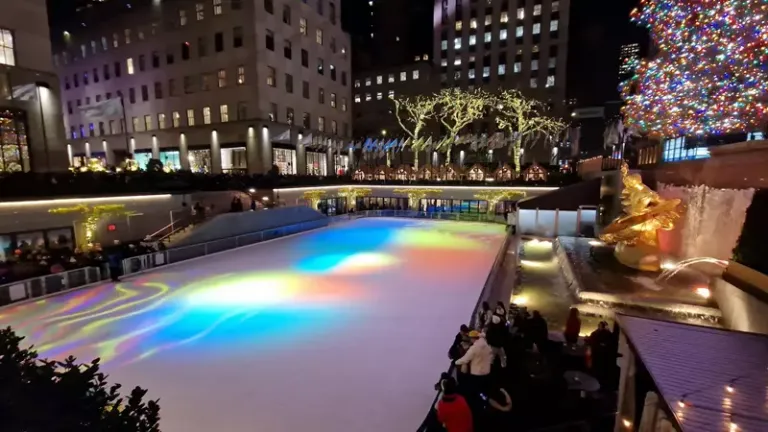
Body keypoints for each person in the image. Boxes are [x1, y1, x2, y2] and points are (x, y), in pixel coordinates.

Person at [455, 330, 494, 396]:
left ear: (473, 338)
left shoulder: (474, 348)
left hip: (478, 372)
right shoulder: (485, 342)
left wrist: (456, 362)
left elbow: (465, 359)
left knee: (478, 387)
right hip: (487, 369)